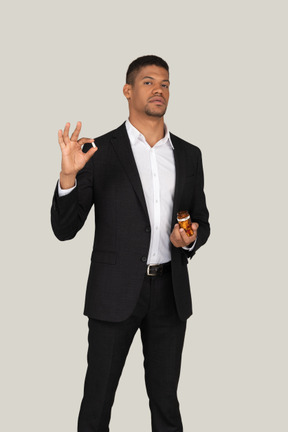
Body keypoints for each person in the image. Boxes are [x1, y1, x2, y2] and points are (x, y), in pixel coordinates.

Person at [51, 55, 210, 432]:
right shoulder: (98, 152)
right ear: (127, 90)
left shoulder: (189, 155)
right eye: (149, 82)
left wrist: (188, 238)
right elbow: (64, 228)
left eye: (166, 83)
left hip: (170, 292)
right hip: (113, 293)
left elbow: (201, 220)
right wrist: (67, 177)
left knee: (166, 403)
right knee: (97, 401)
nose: (159, 89)